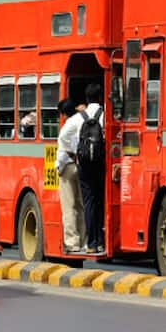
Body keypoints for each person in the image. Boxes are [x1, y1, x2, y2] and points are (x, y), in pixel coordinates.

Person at [65, 84, 105, 253]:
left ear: (87, 99)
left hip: (84, 165)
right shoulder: (105, 115)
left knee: (88, 202)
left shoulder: (77, 117)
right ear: (100, 97)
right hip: (101, 164)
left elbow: (64, 137)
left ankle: (91, 243)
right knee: (100, 201)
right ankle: (102, 241)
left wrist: (74, 155)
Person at [56, 98, 87, 254]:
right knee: (82, 205)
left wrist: (58, 167)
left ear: (63, 114)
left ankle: (72, 242)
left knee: (69, 206)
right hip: (82, 166)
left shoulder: (67, 125)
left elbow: (63, 146)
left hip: (68, 166)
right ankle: (83, 240)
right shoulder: (83, 119)